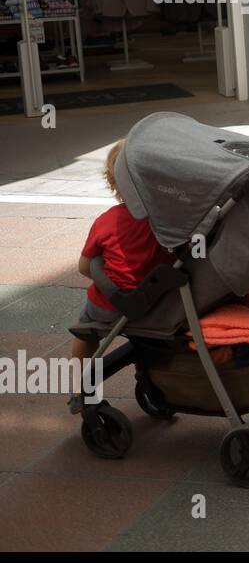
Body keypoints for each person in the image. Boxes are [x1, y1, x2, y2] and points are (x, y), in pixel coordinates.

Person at [70, 139, 173, 412]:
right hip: (159, 306)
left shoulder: (107, 221)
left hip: (110, 306)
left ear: (113, 183)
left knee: (84, 332)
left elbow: (84, 267)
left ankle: (82, 385)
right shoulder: (167, 221)